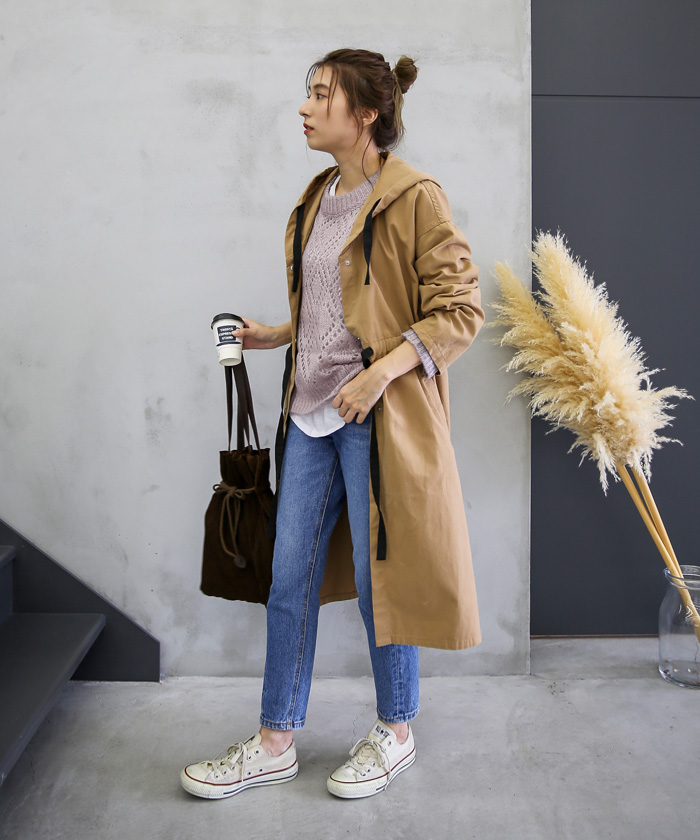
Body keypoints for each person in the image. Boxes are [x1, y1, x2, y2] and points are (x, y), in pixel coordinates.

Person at [181, 48, 484, 801]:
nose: (305, 107)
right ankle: (276, 740)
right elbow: (342, 305)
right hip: (311, 416)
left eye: (322, 94)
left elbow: (460, 311)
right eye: (308, 93)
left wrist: (379, 375)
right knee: (289, 580)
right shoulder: (318, 195)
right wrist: (277, 333)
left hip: (379, 422)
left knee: (388, 583)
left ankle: (397, 730)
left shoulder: (414, 197)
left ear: (366, 113)